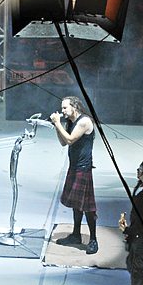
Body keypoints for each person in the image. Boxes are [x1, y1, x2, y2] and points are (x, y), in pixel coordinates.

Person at [51, 96, 98, 254]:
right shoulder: (71, 121)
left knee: (87, 207)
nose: (63, 111)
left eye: (65, 108)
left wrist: (58, 123)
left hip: (83, 168)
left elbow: (70, 139)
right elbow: (63, 142)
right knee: (76, 204)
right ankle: (76, 234)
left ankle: (93, 239)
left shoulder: (84, 121)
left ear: (74, 107)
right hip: (74, 166)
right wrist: (58, 127)